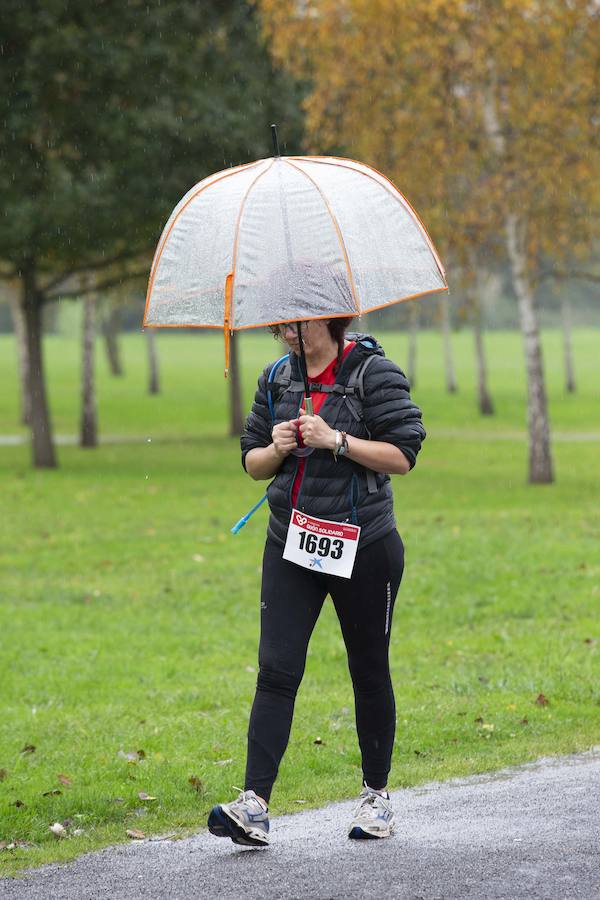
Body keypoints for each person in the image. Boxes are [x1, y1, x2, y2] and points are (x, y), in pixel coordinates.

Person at [208, 316, 426, 847]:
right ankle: (253, 806)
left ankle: (377, 798)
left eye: (300, 325)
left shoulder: (374, 373)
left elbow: (404, 455)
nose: (290, 335)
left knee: (369, 671)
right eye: (283, 326)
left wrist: (337, 440)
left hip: (364, 544)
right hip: (292, 542)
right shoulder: (277, 378)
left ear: (331, 318)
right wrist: (278, 447)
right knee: (276, 671)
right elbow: (252, 464)